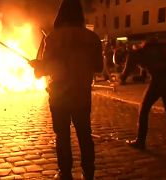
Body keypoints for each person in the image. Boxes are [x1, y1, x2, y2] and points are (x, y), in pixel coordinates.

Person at [29, 0, 103, 179]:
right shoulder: (92, 37)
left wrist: (37, 66)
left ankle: (65, 173)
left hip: (59, 97)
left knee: (62, 136)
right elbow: (99, 67)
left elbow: (48, 68)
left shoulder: (53, 37)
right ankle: (89, 172)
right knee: (85, 135)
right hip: (81, 95)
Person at [126, 37, 166, 150]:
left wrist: (123, 77)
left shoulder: (138, 54)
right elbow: (144, 74)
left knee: (144, 109)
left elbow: (128, 68)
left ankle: (140, 141)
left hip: (159, 80)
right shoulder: (158, 49)